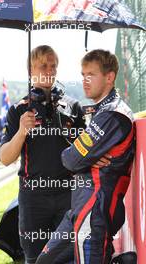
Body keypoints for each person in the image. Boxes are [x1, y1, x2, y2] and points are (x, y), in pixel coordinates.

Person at [36, 49, 135, 264]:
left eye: (91, 74)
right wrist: (84, 155)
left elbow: (71, 160)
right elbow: (74, 156)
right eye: (82, 75)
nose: (85, 80)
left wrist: (83, 156)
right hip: (78, 209)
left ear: (109, 77)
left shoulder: (112, 114)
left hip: (94, 213)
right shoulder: (101, 111)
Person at [0, 45, 87, 264]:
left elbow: (87, 152)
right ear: (31, 71)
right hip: (33, 198)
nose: (49, 71)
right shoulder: (19, 110)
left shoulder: (74, 107)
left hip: (68, 194)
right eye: (43, 66)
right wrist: (21, 131)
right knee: (35, 258)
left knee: (68, 257)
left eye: (53, 66)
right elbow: (5, 158)